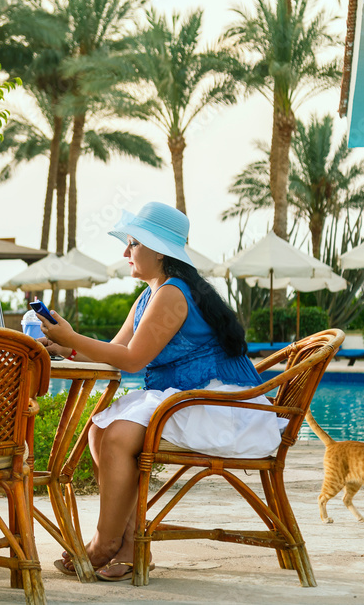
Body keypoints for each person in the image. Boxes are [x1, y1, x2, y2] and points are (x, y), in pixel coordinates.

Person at [36, 202, 285, 581]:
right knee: (99, 430)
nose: (125, 252)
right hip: (187, 398)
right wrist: (67, 346)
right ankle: (130, 543)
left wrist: (72, 337)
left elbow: (133, 360)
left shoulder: (173, 294)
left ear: (158, 250)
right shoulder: (150, 295)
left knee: (118, 434)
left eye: (133, 244)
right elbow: (118, 351)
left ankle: (107, 543)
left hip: (223, 405)